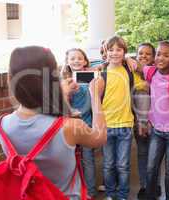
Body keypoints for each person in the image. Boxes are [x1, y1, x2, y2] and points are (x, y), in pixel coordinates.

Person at [0, 46, 107, 200]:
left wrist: (63, 94)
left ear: (10, 79)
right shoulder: (70, 127)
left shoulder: (2, 125)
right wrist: (95, 95)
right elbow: (100, 137)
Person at [100, 36, 143, 200]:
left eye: (119, 50)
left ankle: (123, 195)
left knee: (123, 165)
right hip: (106, 125)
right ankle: (110, 194)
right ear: (105, 52)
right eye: (111, 50)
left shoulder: (129, 71)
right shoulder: (100, 72)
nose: (114, 53)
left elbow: (145, 76)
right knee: (108, 164)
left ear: (124, 51)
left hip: (125, 124)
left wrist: (129, 59)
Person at [143, 41, 169, 200]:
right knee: (151, 168)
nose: (160, 58)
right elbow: (130, 62)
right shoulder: (150, 72)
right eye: (158, 54)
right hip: (156, 130)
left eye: (166, 55)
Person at [62, 48, 98, 199]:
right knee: (71, 161)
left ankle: (90, 191)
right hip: (70, 126)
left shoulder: (91, 76)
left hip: (87, 124)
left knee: (88, 160)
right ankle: (75, 191)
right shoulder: (65, 80)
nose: (76, 61)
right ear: (67, 62)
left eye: (79, 58)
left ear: (85, 61)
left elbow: (105, 62)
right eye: (72, 58)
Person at [133, 43, 162, 199]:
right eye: (140, 53)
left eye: (148, 54)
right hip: (138, 122)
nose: (143, 56)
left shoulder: (157, 73)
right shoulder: (131, 73)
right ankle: (144, 185)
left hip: (157, 122)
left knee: (155, 155)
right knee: (143, 153)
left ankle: (154, 184)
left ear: (153, 57)